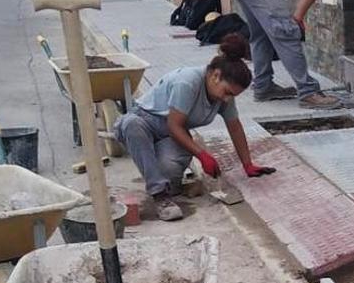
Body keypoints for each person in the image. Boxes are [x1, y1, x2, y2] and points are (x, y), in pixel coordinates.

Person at [112, 34, 275, 221]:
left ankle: (158, 177)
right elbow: (175, 126)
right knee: (131, 125)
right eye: (228, 92)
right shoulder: (188, 82)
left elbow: (235, 127)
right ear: (215, 76)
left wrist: (247, 164)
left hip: (169, 134)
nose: (228, 99)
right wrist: (202, 155)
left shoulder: (223, 96)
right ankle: (159, 196)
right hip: (146, 122)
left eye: (233, 96)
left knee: (170, 177)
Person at [228, 0, 351, 109]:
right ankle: (308, 93)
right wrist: (297, 18)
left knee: (260, 35)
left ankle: (263, 87)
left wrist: (298, 16)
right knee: (287, 34)